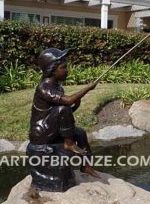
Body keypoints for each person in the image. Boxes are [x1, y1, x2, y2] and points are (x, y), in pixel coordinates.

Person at [26, 48, 100, 192]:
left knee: (80, 133)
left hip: (50, 127)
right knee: (63, 108)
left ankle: (86, 166)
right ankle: (68, 144)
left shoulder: (57, 86)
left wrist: (74, 105)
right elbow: (65, 104)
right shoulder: (44, 87)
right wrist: (87, 89)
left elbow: (61, 114)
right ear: (52, 70)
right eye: (63, 67)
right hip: (40, 133)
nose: (67, 70)